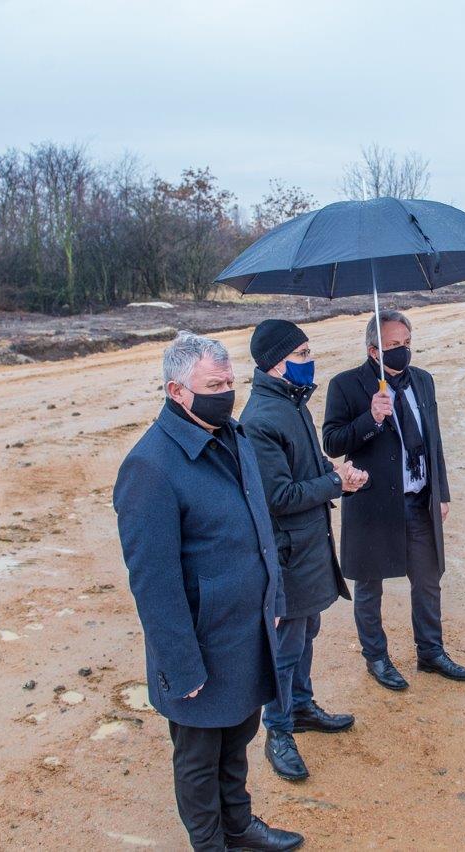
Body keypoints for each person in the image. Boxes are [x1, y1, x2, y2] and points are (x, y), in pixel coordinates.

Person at [113, 330, 303, 852]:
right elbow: (153, 583)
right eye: (213, 386)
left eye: (229, 382)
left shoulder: (233, 436)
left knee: (238, 737)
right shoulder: (150, 467)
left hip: (246, 629)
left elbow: (261, 527)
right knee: (199, 758)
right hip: (200, 641)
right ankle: (211, 843)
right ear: (176, 391)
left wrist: (274, 600)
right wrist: (180, 664)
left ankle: (238, 827)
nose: (226, 393)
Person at [323, 309, 465, 690]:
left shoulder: (422, 381)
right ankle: (376, 656)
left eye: (406, 343)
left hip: (419, 500)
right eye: (393, 345)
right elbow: (332, 442)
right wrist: (371, 419)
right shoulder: (346, 385)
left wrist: (441, 492)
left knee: (428, 580)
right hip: (373, 504)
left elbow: (434, 441)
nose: (402, 350)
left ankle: (431, 652)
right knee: (369, 586)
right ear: (373, 350)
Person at [240, 319, 364, 783]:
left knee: (308, 630)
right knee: (286, 646)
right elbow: (278, 497)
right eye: (303, 354)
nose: (311, 361)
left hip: (310, 545)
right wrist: (335, 483)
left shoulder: (292, 403)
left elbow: (304, 469)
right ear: (277, 362)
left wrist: (337, 473)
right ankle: (278, 730)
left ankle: (303, 706)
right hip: (287, 553)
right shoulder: (261, 419)